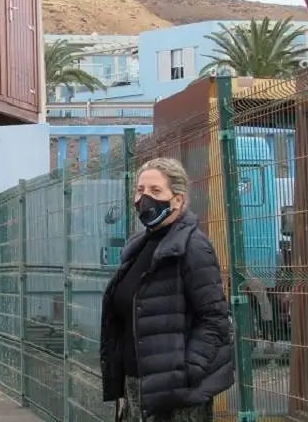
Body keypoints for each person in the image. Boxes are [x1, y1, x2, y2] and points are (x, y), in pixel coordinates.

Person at [99, 157, 234, 422]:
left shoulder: (193, 247)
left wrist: (187, 371)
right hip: (138, 387)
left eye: (155, 191)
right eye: (140, 190)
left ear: (178, 200)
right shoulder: (138, 246)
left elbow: (215, 320)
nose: (144, 198)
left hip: (177, 397)